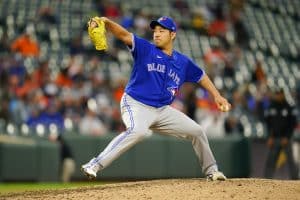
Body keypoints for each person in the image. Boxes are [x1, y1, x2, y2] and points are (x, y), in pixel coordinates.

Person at [81, 16, 231, 181]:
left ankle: (212, 171)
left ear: (172, 35)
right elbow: (124, 35)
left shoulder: (182, 62)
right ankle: (94, 165)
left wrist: (217, 95)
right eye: (155, 31)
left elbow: (201, 76)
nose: (157, 34)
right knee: (138, 131)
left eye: (162, 31)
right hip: (136, 104)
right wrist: (107, 23)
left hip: (162, 110)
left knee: (197, 131)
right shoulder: (146, 49)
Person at [264, 88, 298, 179]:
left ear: (283, 94)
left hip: (286, 138)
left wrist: (287, 137)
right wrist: (269, 137)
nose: (278, 96)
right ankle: (266, 180)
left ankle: (295, 179)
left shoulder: (289, 107)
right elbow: (268, 123)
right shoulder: (271, 107)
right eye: (277, 94)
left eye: (280, 94)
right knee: (271, 160)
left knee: (291, 161)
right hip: (274, 138)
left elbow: (292, 124)